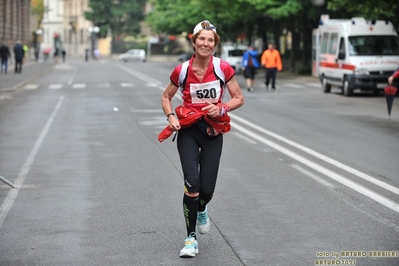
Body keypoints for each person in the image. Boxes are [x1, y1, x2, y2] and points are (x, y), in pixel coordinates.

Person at [159, 20, 244, 258]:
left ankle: (203, 207)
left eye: (210, 40)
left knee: (207, 189)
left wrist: (223, 108)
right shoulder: (182, 70)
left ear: (214, 45)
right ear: (194, 42)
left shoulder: (222, 69)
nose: (205, 44)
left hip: (212, 131)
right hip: (188, 130)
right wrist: (170, 117)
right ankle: (190, 238)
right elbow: (166, 97)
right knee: (192, 184)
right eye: (201, 39)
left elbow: (239, 97)